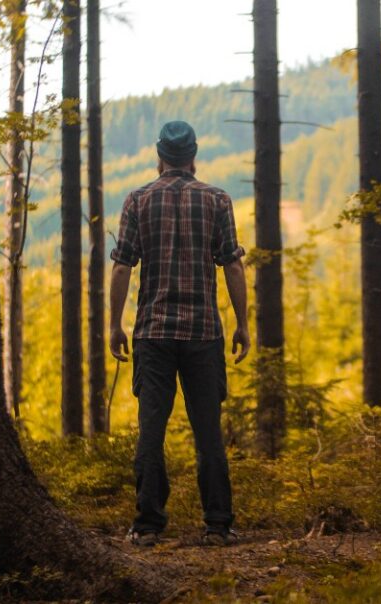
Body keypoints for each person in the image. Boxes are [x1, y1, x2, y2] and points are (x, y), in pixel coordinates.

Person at [109, 120, 250, 547]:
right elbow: (232, 264)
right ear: (193, 156)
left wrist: (114, 324)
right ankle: (218, 524)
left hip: (152, 333)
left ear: (159, 157)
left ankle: (149, 524)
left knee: (151, 429)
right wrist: (243, 323)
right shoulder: (217, 200)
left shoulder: (137, 200)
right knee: (208, 429)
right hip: (204, 333)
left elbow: (121, 266)